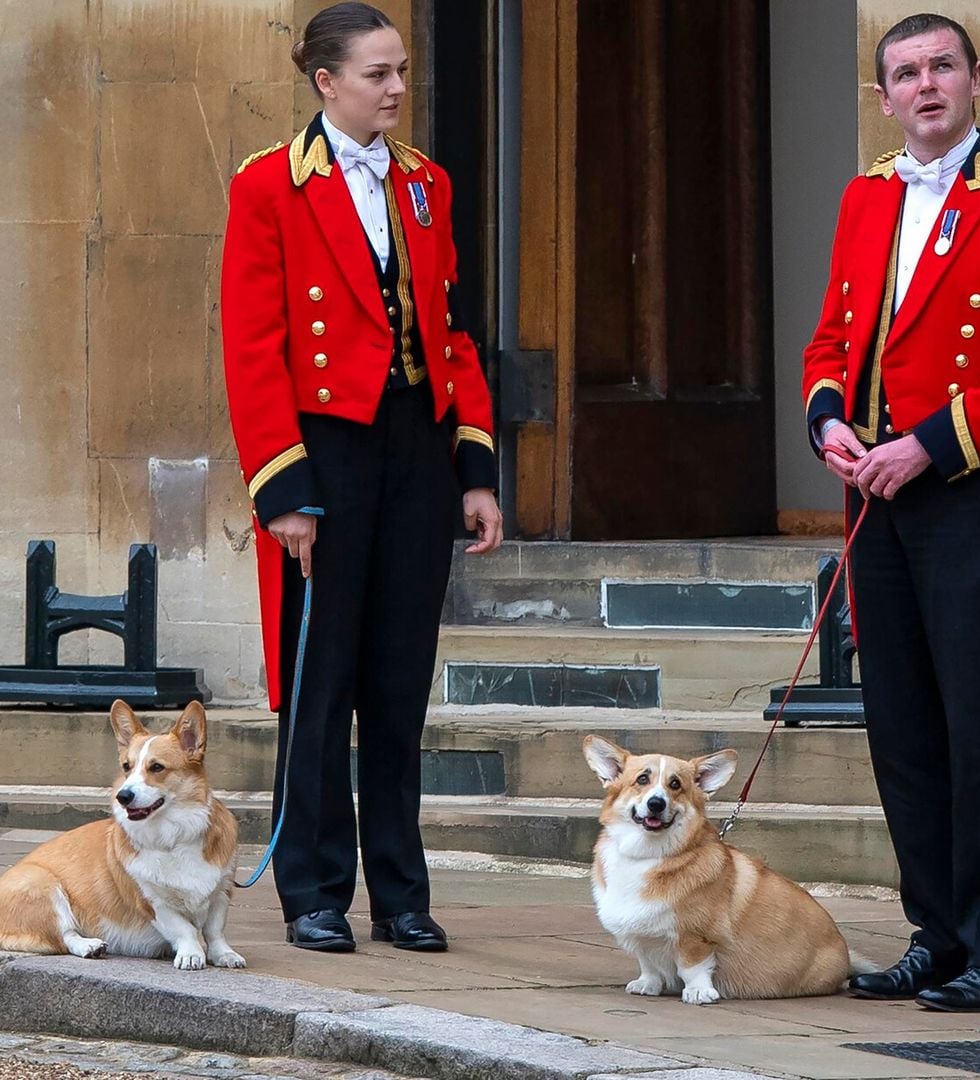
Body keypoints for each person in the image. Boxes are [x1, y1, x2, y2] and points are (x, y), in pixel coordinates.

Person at [804, 13, 980, 1011]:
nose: (925, 86)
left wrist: (927, 441)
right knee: (903, 727)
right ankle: (942, 933)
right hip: (877, 498)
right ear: (884, 96)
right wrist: (831, 424)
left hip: (967, 496)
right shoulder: (867, 195)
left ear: (973, 79)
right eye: (905, 73)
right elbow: (832, 339)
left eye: (942, 68)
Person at [221, 1, 503, 954]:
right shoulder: (268, 185)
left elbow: (453, 332)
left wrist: (473, 467)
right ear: (325, 81)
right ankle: (311, 888)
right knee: (320, 679)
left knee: (396, 680)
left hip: (414, 449)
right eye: (378, 73)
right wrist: (284, 491)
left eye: (401, 71)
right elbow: (253, 350)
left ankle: (402, 892)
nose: (397, 88)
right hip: (322, 454)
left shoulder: (426, 184)